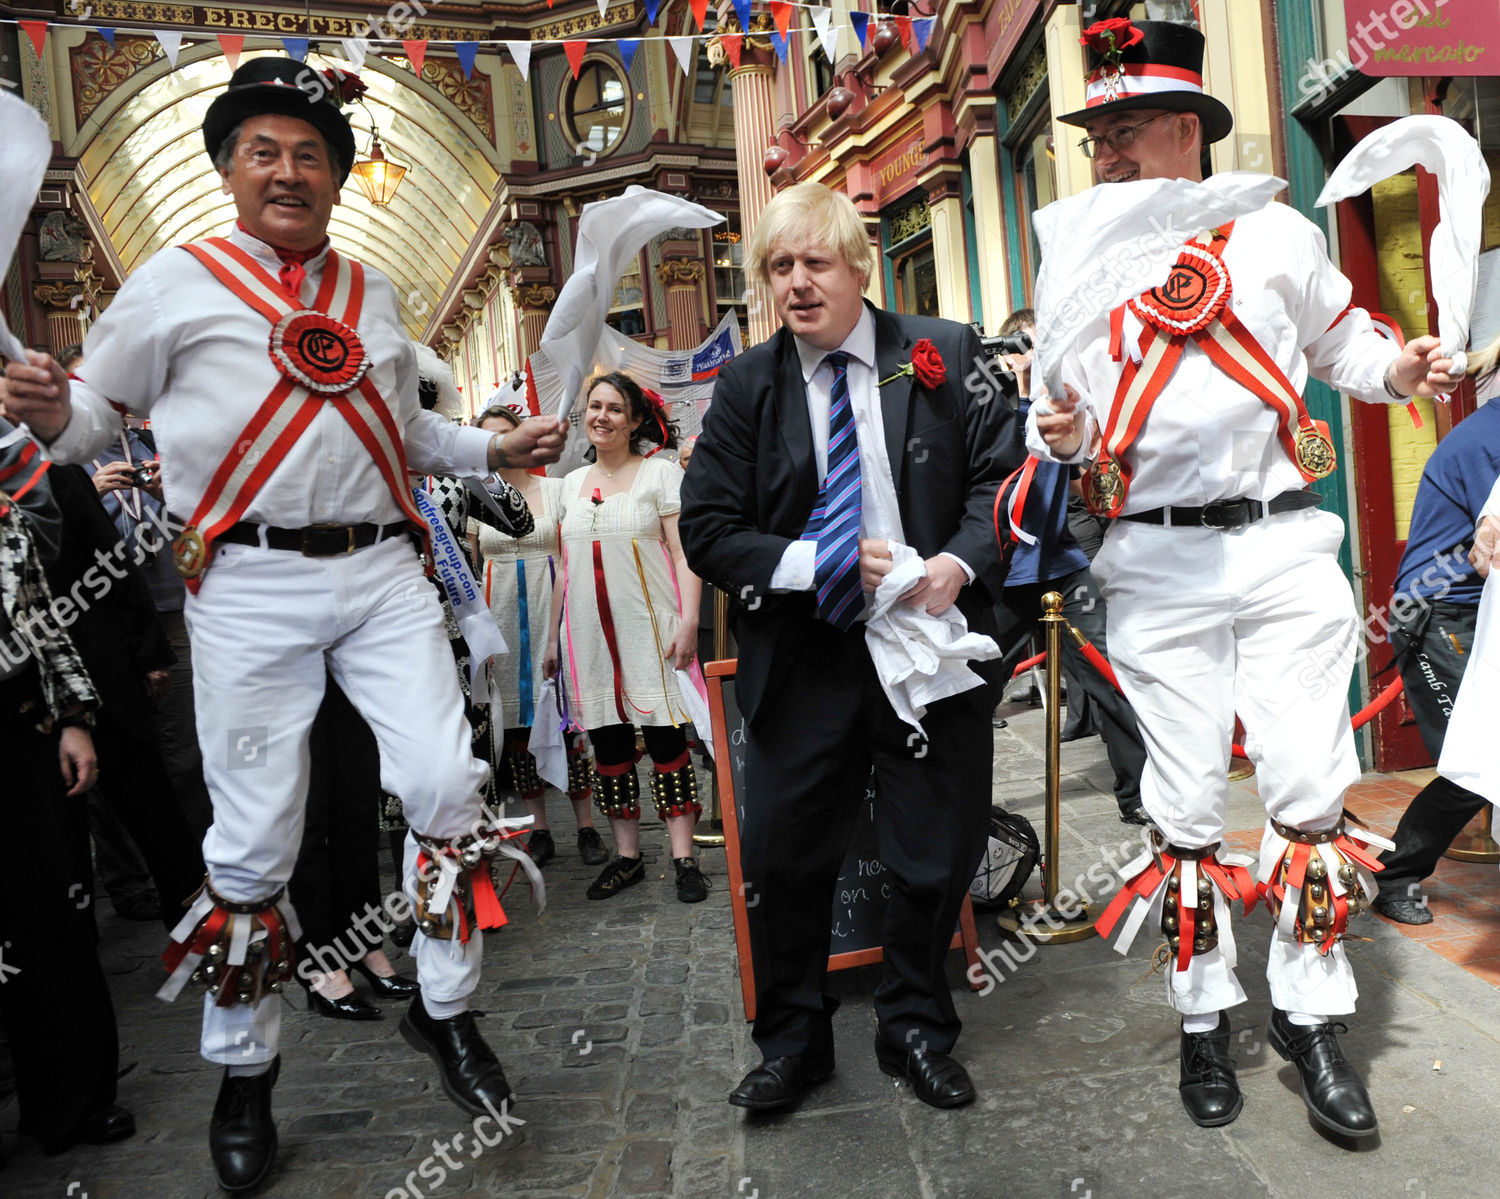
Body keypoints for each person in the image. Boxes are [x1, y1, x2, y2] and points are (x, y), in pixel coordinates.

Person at [3, 58, 566, 1193]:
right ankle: (245, 1069)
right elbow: (97, 414)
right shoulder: (171, 281)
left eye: (311, 153)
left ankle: (446, 1012)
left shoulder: (371, 293)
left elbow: (407, 429)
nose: (290, 170)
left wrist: (490, 449)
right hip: (246, 587)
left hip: (382, 574)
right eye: (265, 150)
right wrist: (65, 412)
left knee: (450, 788)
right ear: (228, 168)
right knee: (253, 841)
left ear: (337, 177)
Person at [1032, 19, 1460, 1139]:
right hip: (1156, 557)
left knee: (1310, 789)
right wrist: (1067, 432)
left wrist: (1399, 362)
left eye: (1125, 131)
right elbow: (1065, 423)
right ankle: (1202, 1014)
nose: (1106, 154)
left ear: (1186, 132)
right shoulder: (1076, 252)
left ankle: (1313, 1018)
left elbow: (1346, 348)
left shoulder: (1272, 232)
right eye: (1097, 136)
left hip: (1281, 546)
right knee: (1180, 806)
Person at [679, 181, 1017, 1112]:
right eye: (777, 267)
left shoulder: (941, 352)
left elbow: (1005, 477)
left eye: (813, 262)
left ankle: (915, 1024)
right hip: (807, 655)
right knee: (785, 860)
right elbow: (707, 527)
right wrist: (814, 561)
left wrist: (956, 562)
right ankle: (794, 1041)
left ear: (859, 268)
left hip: (928, 648)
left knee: (934, 852)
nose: (795, 283)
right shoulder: (749, 383)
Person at [0, 420, 134, 1156]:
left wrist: (74, 716)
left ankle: (73, 1100)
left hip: (21, 729)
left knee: (54, 914)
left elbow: (40, 607)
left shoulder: (8, 496)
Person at [542, 372, 707, 904]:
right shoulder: (569, 484)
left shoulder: (659, 475)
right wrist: (552, 640)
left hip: (651, 632)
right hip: (587, 640)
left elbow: (685, 556)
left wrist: (688, 623)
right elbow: (563, 572)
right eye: (595, 406)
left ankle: (684, 859)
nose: (602, 417)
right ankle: (627, 858)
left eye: (616, 409)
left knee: (666, 742)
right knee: (609, 748)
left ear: (636, 420)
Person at [992, 307, 1148, 824]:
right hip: (1004, 573)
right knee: (974, 690)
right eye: (1029, 346)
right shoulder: (993, 397)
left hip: (1062, 564)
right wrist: (1017, 393)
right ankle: (962, 807)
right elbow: (1004, 459)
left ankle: (1140, 797)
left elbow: (1079, 457)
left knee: (1111, 677)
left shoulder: (1064, 396)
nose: (1039, 357)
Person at [1373, 361, 1500, 924]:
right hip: (1439, 612)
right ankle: (1395, 874)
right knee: (1476, 757)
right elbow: (1486, 546)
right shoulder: (1488, 440)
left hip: (1480, 609)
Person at [472, 401, 606, 868]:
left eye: (504, 435)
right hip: (501, 611)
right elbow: (471, 569)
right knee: (516, 728)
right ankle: (540, 829)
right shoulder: (474, 498)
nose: (499, 447)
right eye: (488, 439)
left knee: (567, 719)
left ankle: (587, 825)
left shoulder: (556, 490)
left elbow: (571, 559)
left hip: (553, 605)